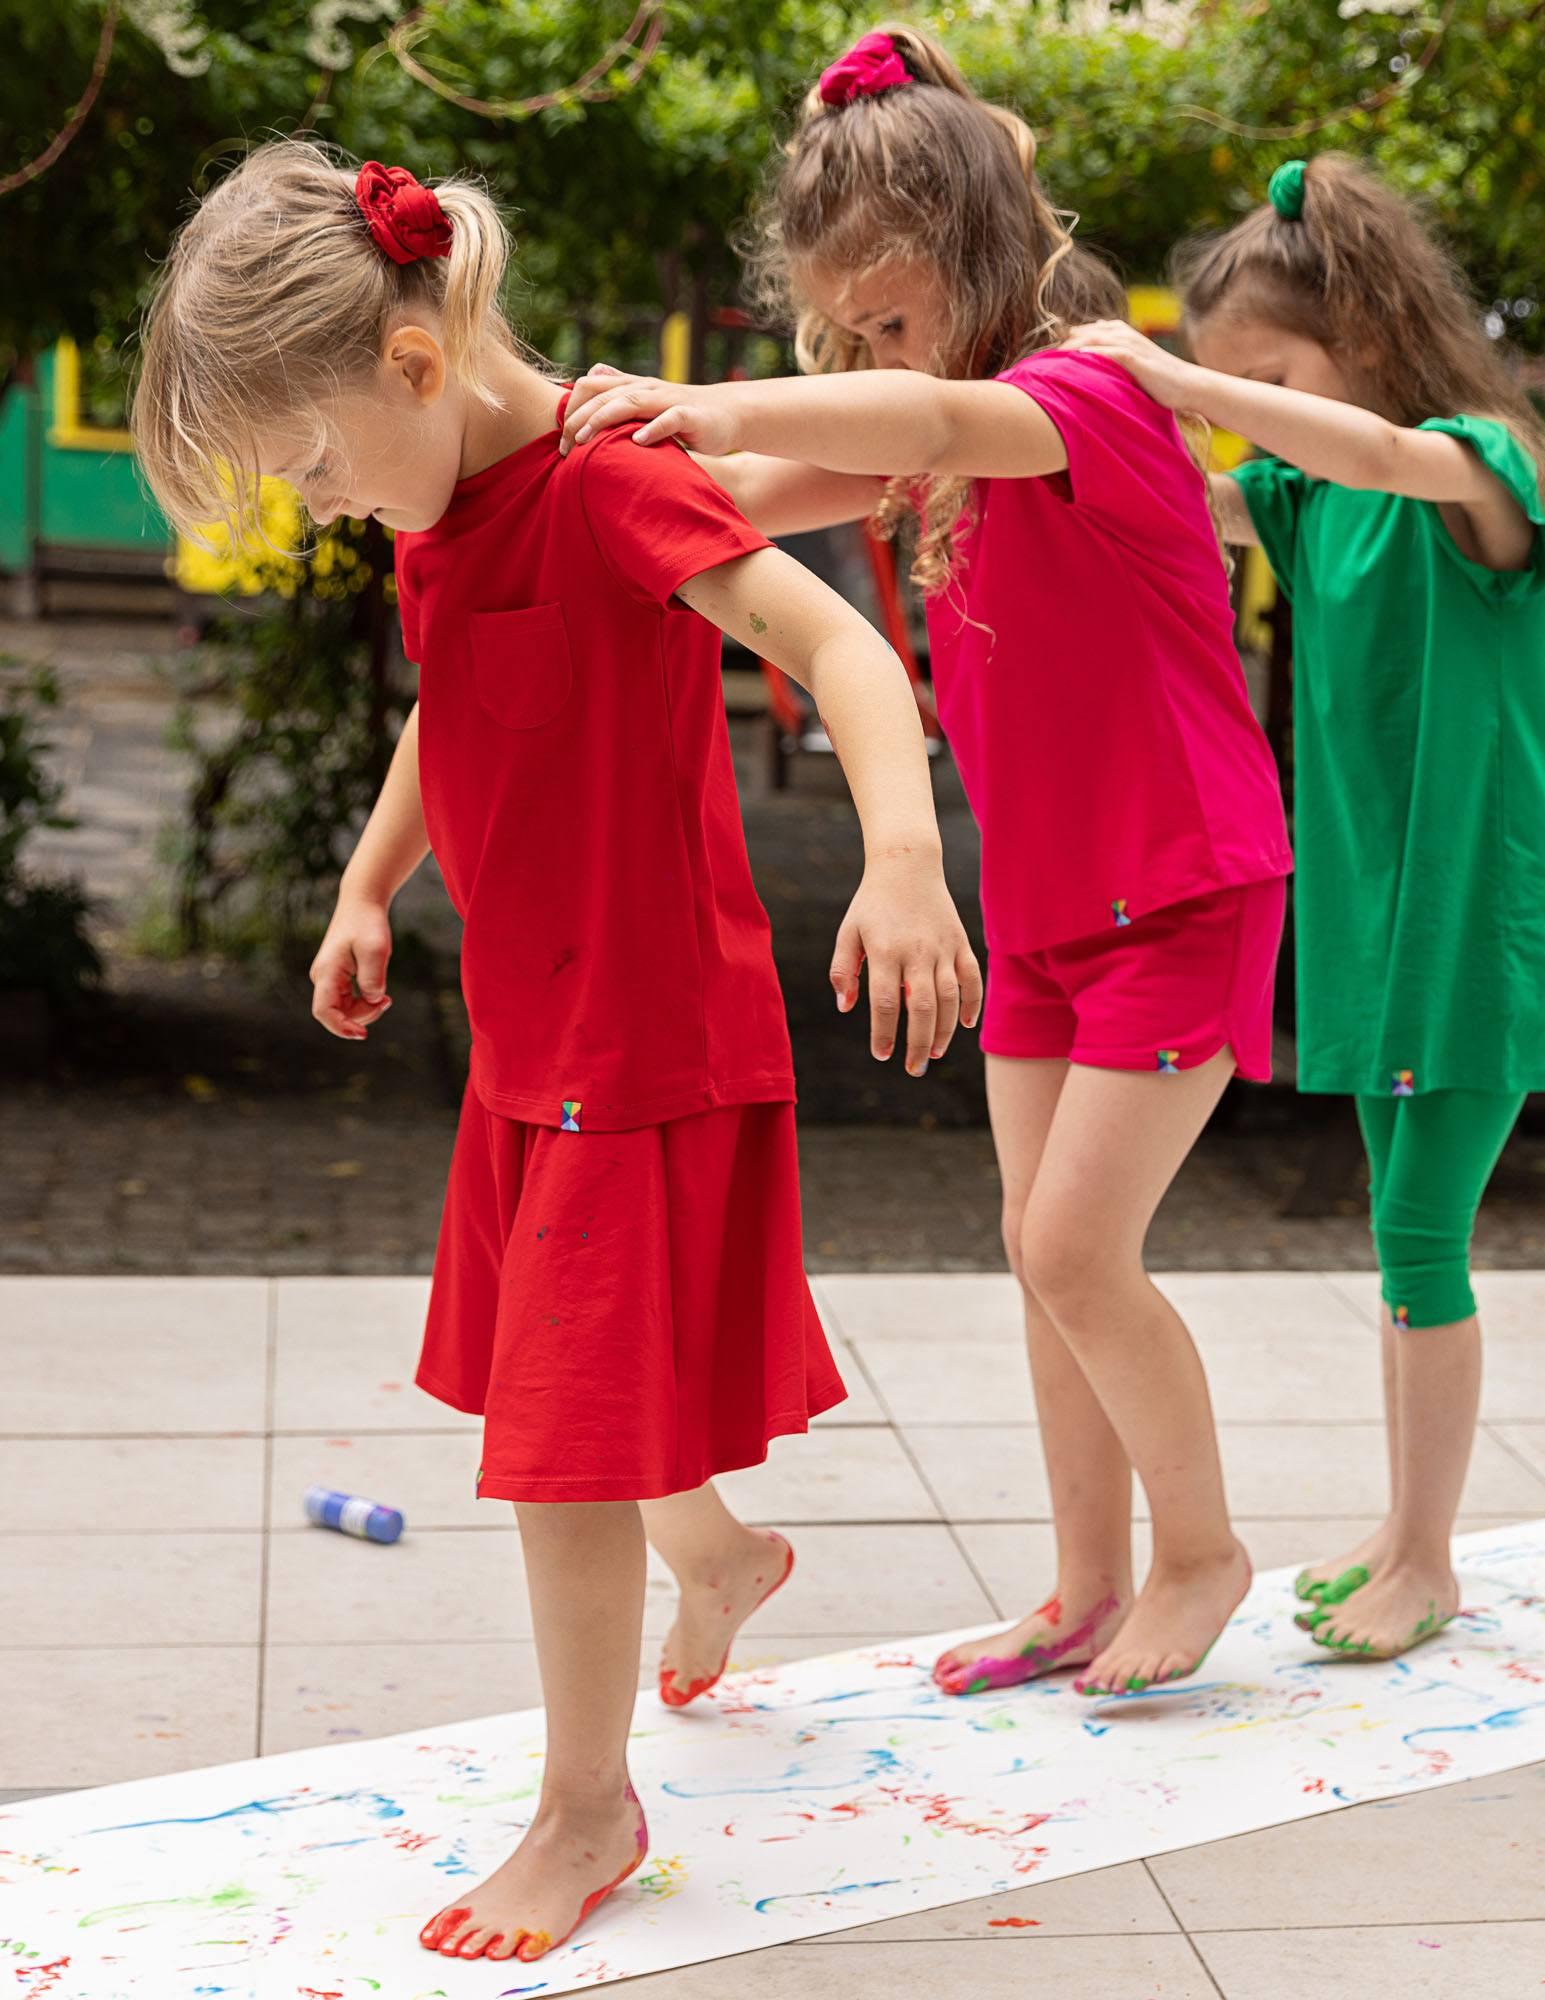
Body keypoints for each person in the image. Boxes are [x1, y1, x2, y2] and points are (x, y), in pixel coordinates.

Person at [131, 139, 978, 1962]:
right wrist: (369, 884)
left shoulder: (608, 489)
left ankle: (588, 1808)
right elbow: (456, 703)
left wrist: (903, 862)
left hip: (644, 1033)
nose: (330, 505)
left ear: (415, 370)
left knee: (561, 1436)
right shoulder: (447, 513)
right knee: (582, 1371)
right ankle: (722, 1557)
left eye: (312, 466)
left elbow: (839, 648)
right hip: (534, 1036)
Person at [563, 25, 1293, 1699]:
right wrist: (593, 456)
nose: (871, 349)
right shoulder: (940, 429)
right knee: (1037, 1257)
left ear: (979, 264)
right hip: (1048, 902)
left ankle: (1202, 1554)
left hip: (1183, 884)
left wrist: (730, 393)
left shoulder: (1080, 397)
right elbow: (747, 484)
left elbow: (920, 412)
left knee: (1072, 1253)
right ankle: (1085, 1584)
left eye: (886, 318)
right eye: (847, 326)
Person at [1067, 152, 1545, 1661]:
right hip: (1378, 909)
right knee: (1399, 1229)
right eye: (1229, 374)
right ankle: (1401, 1530)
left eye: (1272, 373)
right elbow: (1178, 494)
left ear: (1366, 338)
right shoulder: (1307, 490)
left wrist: (1181, 385)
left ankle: (1427, 1558)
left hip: (1481, 913)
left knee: (1424, 1234)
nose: (1243, 399)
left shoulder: (1476, 462)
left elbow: (1374, 460)